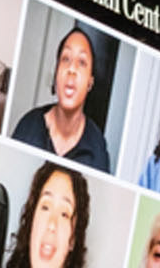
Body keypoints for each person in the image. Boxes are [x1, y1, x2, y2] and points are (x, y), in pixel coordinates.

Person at [9, 26, 111, 172]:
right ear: (57, 72)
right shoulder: (28, 125)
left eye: (82, 62)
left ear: (90, 82)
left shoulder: (97, 147)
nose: (72, 69)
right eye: (66, 59)